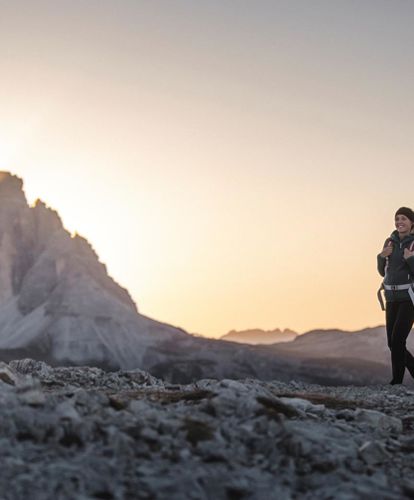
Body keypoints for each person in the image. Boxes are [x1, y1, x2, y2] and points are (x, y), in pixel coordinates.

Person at [377, 207, 414, 385]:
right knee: (392, 343)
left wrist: (410, 259)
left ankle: (396, 382)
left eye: (404, 219)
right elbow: (381, 272)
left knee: (398, 339)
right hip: (391, 298)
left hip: (409, 298)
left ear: (412, 222)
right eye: (397, 218)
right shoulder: (389, 242)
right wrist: (381, 257)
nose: (399, 222)